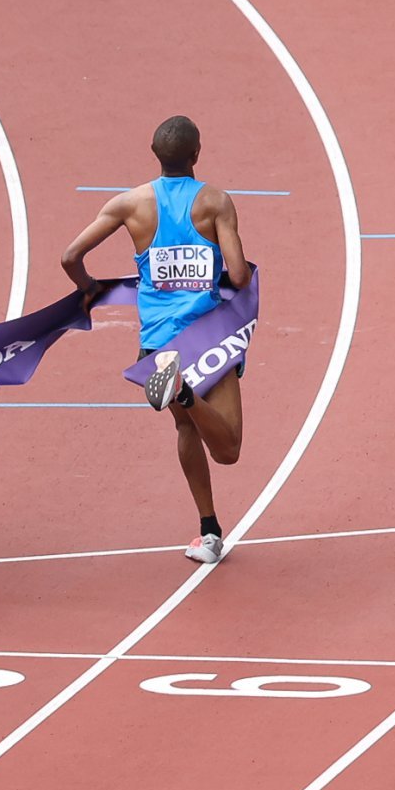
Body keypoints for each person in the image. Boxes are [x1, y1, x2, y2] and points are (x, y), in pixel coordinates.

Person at [61, 115, 250, 563]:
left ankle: (208, 532)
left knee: (186, 427)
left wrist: (89, 289)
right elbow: (239, 276)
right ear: (197, 154)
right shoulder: (215, 202)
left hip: (158, 344)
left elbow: (70, 256)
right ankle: (183, 392)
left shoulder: (130, 204)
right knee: (229, 450)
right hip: (207, 335)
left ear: (155, 155)